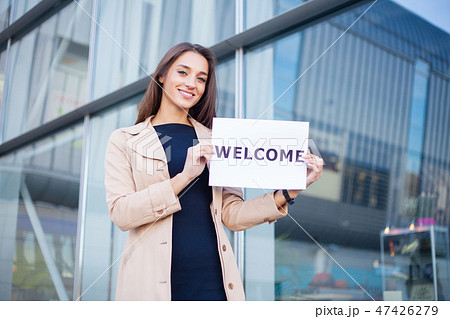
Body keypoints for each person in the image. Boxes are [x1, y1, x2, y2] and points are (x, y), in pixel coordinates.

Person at [104, 42, 323, 301]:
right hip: (150, 285)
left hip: (214, 281)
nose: (191, 84)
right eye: (182, 72)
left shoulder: (217, 140)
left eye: (201, 78)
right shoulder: (125, 140)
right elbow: (121, 213)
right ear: (162, 75)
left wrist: (290, 190)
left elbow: (232, 215)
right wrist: (184, 177)